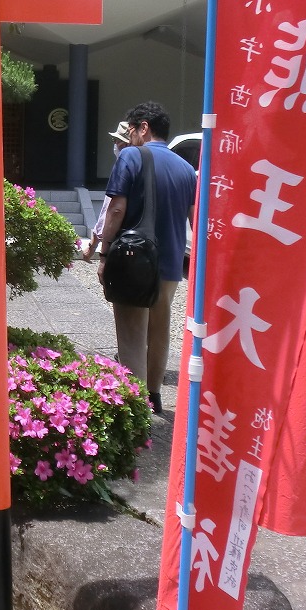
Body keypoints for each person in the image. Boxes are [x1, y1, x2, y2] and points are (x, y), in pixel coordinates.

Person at [97, 102, 196, 415]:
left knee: (132, 333)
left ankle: (134, 405)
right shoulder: (186, 169)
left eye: (131, 129)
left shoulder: (131, 156)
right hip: (170, 264)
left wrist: (104, 253)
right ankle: (154, 395)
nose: (129, 136)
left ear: (144, 127)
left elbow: (116, 209)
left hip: (134, 260)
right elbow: (195, 219)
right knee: (159, 328)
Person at [82, 120, 133, 261]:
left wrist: (94, 248)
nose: (115, 144)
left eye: (117, 140)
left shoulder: (122, 169)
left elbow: (111, 210)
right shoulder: (145, 164)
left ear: (126, 144)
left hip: (120, 242)